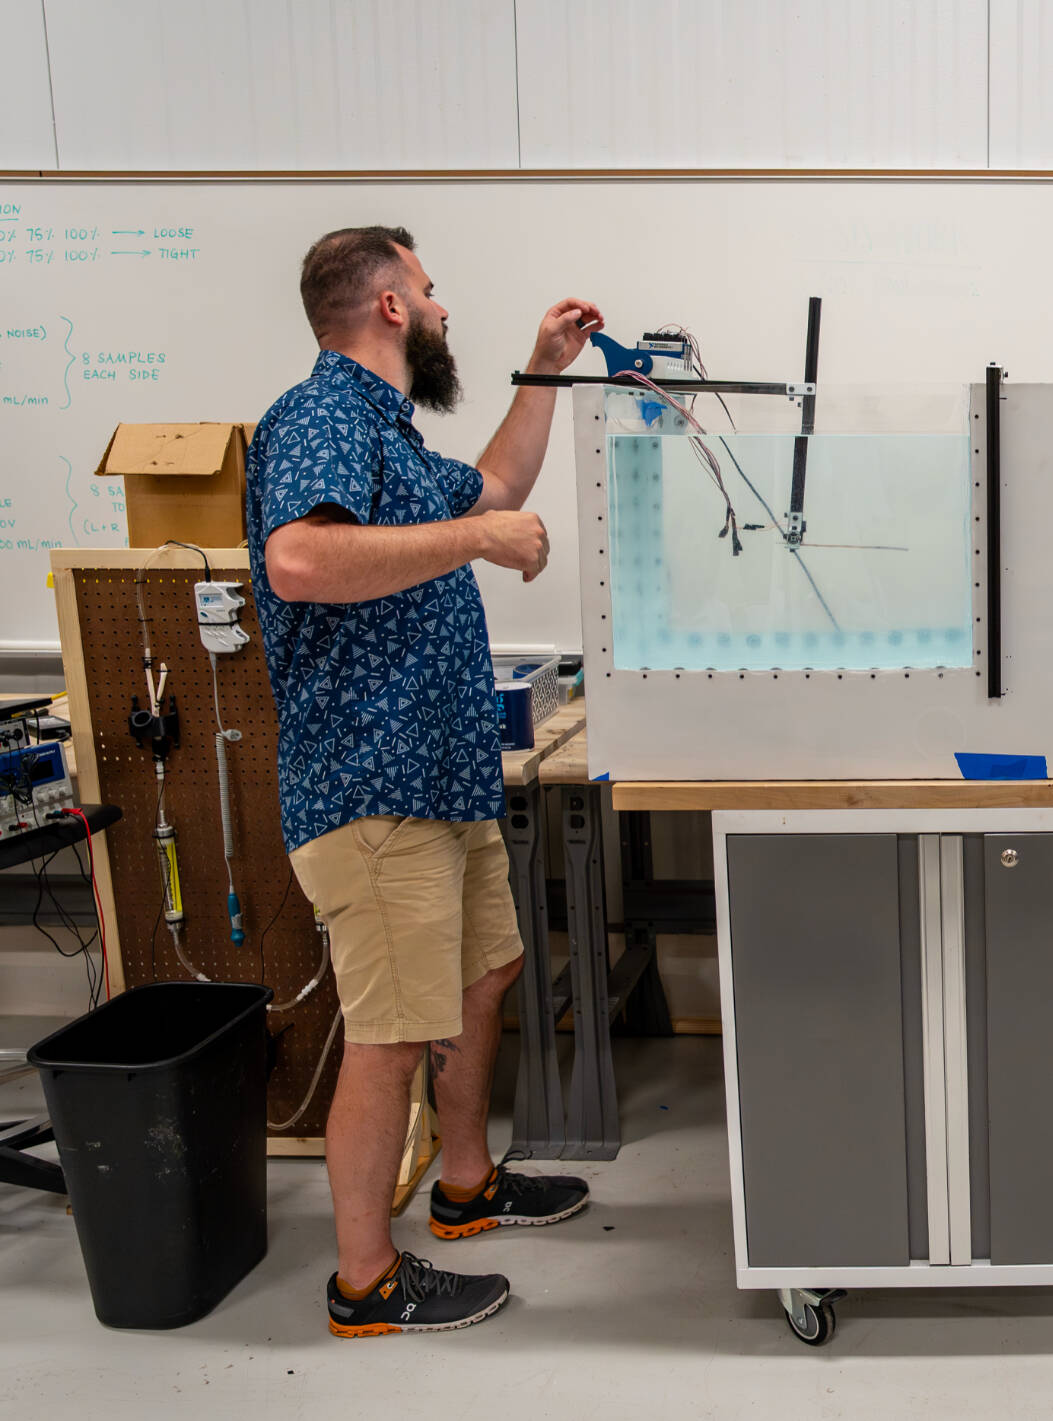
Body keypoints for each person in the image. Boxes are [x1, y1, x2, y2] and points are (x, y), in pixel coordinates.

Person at [247, 225, 604, 1335]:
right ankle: (366, 1281)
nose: (443, 307)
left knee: (485, 976)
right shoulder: (321, 417)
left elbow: (493, 486)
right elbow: (299, 559)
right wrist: (479, 540)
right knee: (392, 1032)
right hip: (372, 789)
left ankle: (465, 1185)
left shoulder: (389, 436)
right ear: (392, 306)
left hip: (441, 780)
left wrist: (544, 368)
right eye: (431, 290)